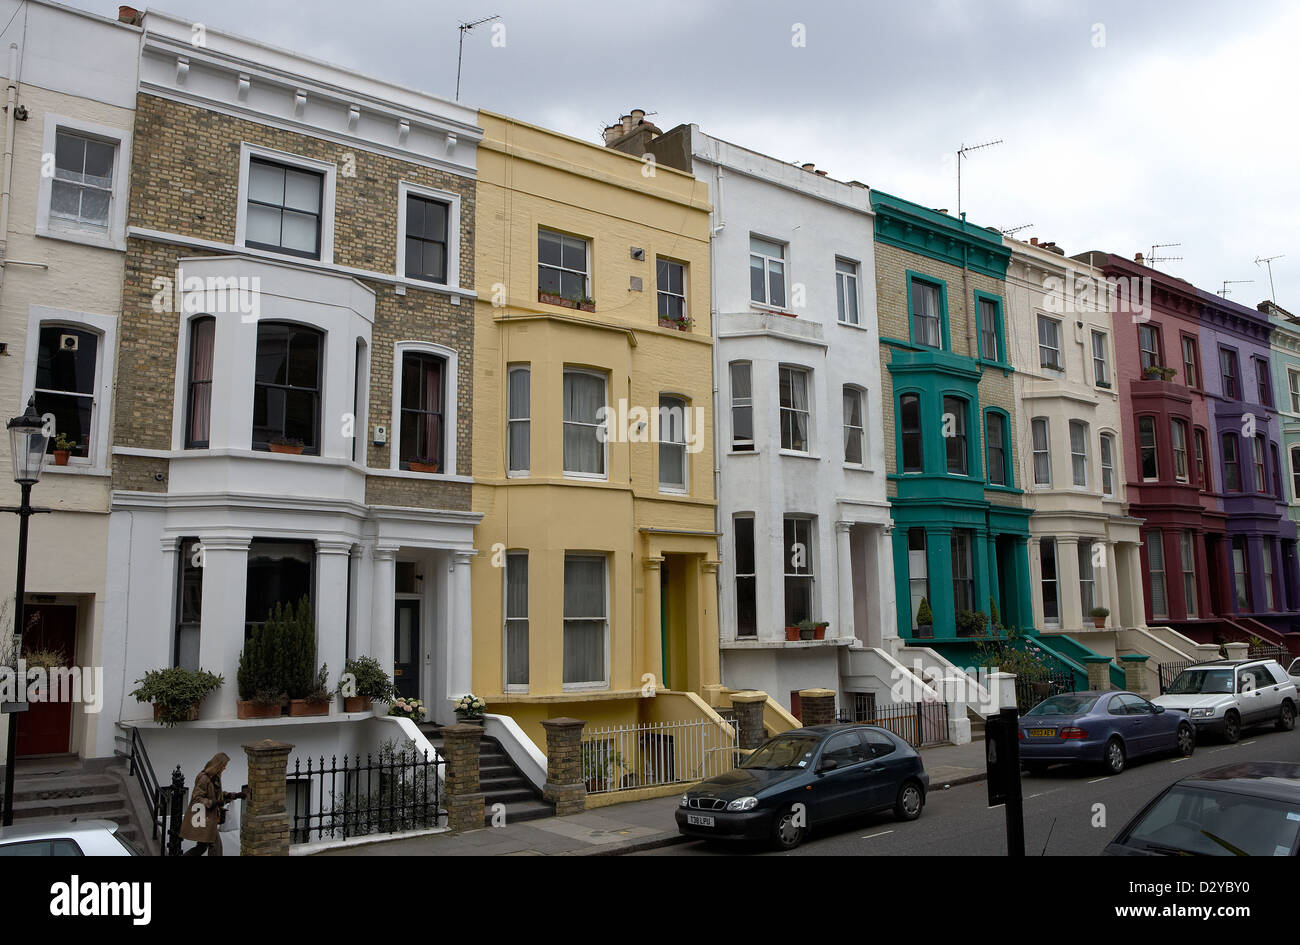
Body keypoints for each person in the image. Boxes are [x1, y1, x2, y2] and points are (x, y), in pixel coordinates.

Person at [180, 752, 245, 856]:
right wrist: (213, 803)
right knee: (216, 847)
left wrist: (235, 795)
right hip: (204, 818)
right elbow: (197, 798)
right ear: (218, 765)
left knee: (202, 847)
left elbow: (217, 795)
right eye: (224, 765)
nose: (225, 768)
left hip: (209, 818)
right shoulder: (204, 778)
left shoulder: (215, 778)